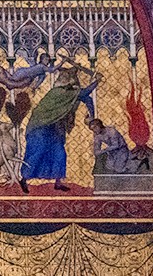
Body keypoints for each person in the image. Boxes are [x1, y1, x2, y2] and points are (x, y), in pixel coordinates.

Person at [21, 63, 98, 191]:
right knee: (38, 152)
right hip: (40, 126)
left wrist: (92, 116)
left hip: (55, 127)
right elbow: (85, 92)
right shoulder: (58, 92)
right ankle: (24, 179)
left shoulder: (69, 93)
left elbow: (86, 98)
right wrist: (97, 81)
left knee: (59, 153)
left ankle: (58, 182)